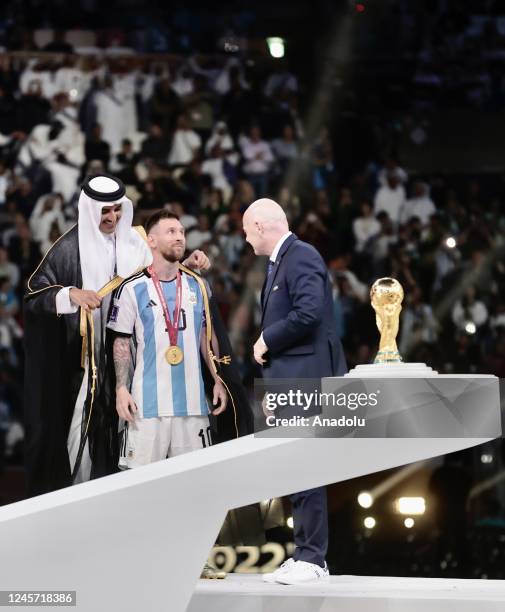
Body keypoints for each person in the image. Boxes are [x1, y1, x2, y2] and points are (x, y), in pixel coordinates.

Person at [23, 174, 209, 497]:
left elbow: (162, 270)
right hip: (87, 361)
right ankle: (78, 504)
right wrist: (71, 295)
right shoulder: (68, 249)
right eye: (105, 212)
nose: (112, 218)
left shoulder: (134, 241)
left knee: (128, 438)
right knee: (81, 435)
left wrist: (188, 261)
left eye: (117, 210)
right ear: (91, 210)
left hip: (133, 357)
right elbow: (34, 296)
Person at [107, 209, 232, 579]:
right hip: (146, 406)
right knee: (139, 486)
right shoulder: (132, 288)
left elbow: (206, 336)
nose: (180, 237)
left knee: (196, 488)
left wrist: (217, 378)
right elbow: (122, 342)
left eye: (182, 230)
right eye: (171, 231)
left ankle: (196, 558)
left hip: (193, 405)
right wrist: (120, 388)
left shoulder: (197, 286)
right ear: (152, 240)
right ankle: (138, 559)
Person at [242, 198, 347, 585]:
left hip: (307, 377)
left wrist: (266, 338)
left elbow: (309, 313)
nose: (244, 237)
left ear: (260, 225)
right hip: (292, 378)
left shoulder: (301, 256)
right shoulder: (281, 261)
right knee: (295, 465)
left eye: (246, 229)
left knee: (306, 465)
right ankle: (304, 553)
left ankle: (314, 559)